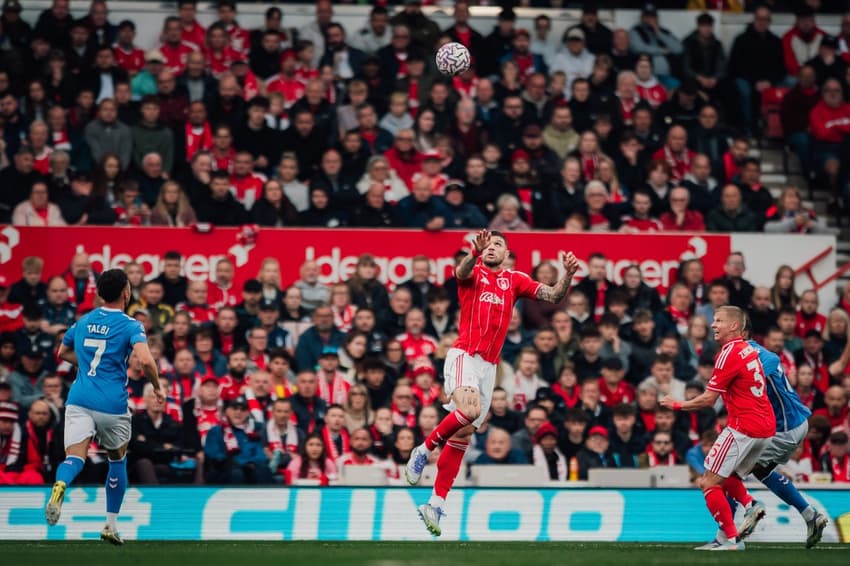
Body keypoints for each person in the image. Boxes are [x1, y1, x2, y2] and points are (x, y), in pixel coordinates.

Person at [404, 229, 579, 536]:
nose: (492, 247)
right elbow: (460, 271)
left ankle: (435, 503)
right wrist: (473, 253)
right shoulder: (473, 274)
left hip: (489, 367)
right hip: (464, 355)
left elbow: (553, 295)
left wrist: (567, 275)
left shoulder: (515, 280)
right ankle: (423, 450)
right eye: (489, 244)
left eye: (499, 244)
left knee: (464, 433)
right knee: (469, 410)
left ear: (507, 253)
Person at [49, 269, 164, 544]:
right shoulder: (131, 325)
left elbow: (61, 352)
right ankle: (110, 525)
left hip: (79, 399)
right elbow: (146, 361)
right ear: (126, 292)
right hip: (112, 404)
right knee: (117, 459)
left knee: (74, 458)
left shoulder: (83, 321)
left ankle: (61, 484)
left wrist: (88, 366)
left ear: (99, 293)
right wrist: (158, 387)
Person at [661, 306, 776, 551]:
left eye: (719, 321)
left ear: (734, 326)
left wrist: (677, 404)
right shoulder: (749, 350)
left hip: (744, 427)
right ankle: (747, 506)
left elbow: (708, 400)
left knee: (708, 482)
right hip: (765, 428)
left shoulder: (728, 353)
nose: (713, 325)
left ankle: (733, 539)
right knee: (726, 476)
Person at [745, 339, 829, 548]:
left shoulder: (756, 352)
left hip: (786, 426)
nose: (715, 327)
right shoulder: (741, 353)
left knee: (731, 471)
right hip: (791, 423)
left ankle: (733, 529)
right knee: (760, 470)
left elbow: (771, 361)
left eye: (720, 322)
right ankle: (810, 515)